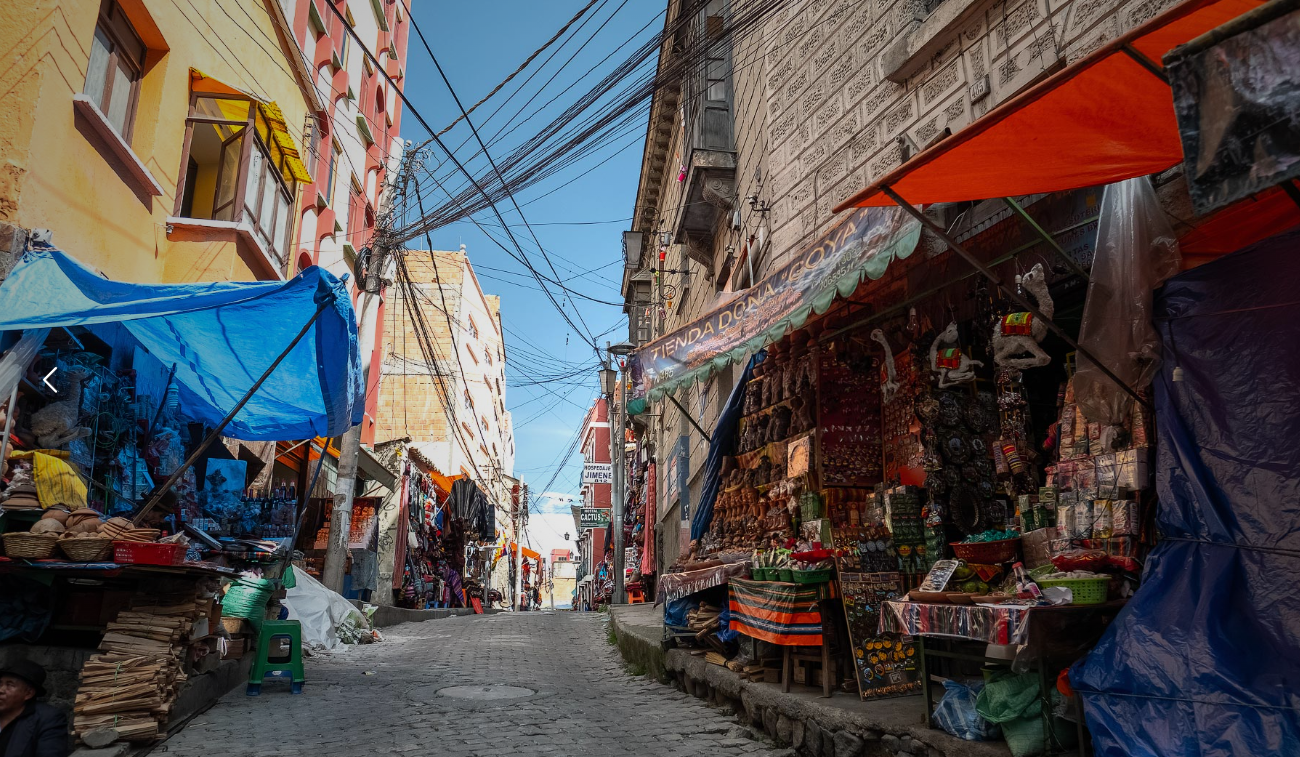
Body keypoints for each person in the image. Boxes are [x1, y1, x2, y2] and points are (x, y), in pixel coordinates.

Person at [0, 660, 69, 757]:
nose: (1, 690)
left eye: (10, 685)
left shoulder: (47, 719)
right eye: (0, 684)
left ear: (28, 693)